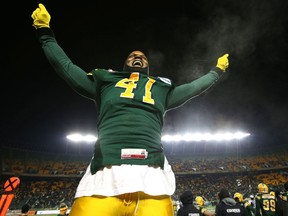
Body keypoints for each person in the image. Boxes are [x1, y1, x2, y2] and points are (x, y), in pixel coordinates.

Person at [31, 3, 230, 216]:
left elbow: (192, 88)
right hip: (104, 177)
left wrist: (216, 71)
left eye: (143, 56)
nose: (138, 56)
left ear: (148, 66)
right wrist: (45, 32)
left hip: (152, 177)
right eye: (132, 55)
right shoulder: (106, 81)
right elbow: (67, 68)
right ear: (125, 63)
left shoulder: (161, 88)